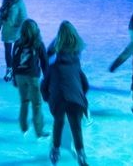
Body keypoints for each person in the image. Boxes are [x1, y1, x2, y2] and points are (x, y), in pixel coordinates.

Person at [42, 21, 90, 166]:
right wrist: (80, 96)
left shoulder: (53, 66)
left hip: (59, 99)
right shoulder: (76, 64)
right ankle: (81, 155)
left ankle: (55, 151)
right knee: (76, 127)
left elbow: (43, 87)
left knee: (58, 123)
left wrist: (48, 98)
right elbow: (86, 85)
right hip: (76, 99)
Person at [11, 19, 50, 139]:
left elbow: (14, 61)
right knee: (36, 104)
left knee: (24, 101)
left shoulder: (17, 43)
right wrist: (48, 80)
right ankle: (39, 132)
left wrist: (14, 78)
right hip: (32, 77)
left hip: (19, 76)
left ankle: (24, 128)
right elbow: (45, 63)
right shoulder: (38, 44)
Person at [0, 0, 28, 82]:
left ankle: (16, 71)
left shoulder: (19, 2)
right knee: (7, 52)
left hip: (17, 32)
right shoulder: (5, 0)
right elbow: (1, 15)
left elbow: (23, 17)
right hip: (7, 30)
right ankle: (9, 70)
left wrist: (19, 27)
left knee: (16, 53)